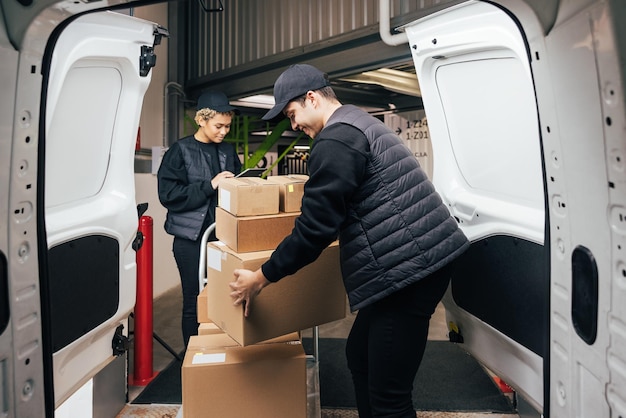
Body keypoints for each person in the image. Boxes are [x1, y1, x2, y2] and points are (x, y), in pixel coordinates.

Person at [228, 64, 469, 417]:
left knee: (390, 395)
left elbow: (316, 228)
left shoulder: (337, 138)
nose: (293, 126)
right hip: (411, 264)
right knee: (359, 355)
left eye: (292, 114)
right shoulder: (358, 121)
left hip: (407, 273)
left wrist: (260, 278)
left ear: (311, 98)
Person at [157, 90, 241, 347]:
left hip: (222, 238)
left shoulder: (227, 150)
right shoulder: (179, 150)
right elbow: (168, 195)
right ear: (201, 120)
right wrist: (210, 185)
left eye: (227, 126)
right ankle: (193, 357)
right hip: (190, 241)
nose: (224, 131)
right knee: (194, 299)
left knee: (223, 298)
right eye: (218, 126)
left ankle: (219, 351)